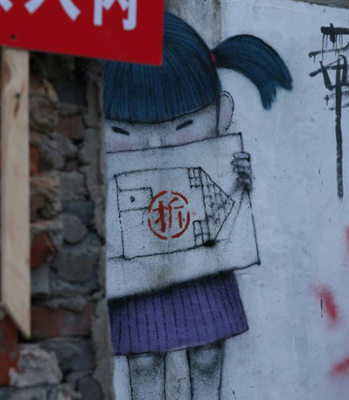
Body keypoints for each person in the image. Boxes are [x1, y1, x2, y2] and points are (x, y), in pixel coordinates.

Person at [103, 13, 292, 400]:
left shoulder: (216, 164)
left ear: (222, 113)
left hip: (204, 262)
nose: (155, 145)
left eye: (181, 126)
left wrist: (236, 181)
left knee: (207, 355)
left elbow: (229, 217)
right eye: (123, 130)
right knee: (144, 361)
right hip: (135, 270)